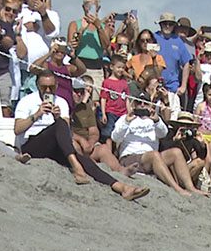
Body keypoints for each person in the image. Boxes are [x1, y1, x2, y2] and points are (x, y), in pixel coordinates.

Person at [14, 69, 150, 201]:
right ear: (38, 86)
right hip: (32, 144)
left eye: (51, 87)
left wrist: (57, 117)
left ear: (56, 86)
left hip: (55, 146)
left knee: (86, 161)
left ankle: (122, 187)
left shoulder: (61, 102)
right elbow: (17, 129)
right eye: (44, 87)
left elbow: (65, 131)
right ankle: (76, 167)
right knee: (63, 132)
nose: (48, 91)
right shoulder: (27, 101)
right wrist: (37, 114)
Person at [110, 98, 201, 196]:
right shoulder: (125, 118)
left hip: (151, 158)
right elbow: (115, 138)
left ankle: (191, 187)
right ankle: (177, 188)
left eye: (145, 103)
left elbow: (163, 134)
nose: (142, 105)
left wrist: (157, 121)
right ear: (133, 104)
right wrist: (126, 122)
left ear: (150, 105)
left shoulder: (154, 120)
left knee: (176, 152)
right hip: (130, 157)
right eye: (139, 102)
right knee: (154, 155)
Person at [153, 13, 193, 96]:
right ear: (160, 25)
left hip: (172, 87)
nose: (167, 26)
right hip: (154, 84)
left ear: (174, 26)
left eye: (170, 24)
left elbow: (186, 63)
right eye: (165, 24)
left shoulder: (178, 41)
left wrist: (183, 86)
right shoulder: (153, 38)